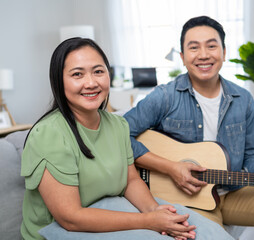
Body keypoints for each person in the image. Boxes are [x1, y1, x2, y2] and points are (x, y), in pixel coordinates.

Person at [20, 37, 234, 240]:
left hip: (113, 208)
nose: (91, 82)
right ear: (59, 80)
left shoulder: (117, 125)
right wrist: (148, 221)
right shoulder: (49, 134)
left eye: (98, 71)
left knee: (207, 232)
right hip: (61, 229)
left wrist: (155, 210)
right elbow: (70, 218)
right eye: (77, 74)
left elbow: (131, 180)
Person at [124, 16, 254, 240]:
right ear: (182, 57)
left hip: (231, 192)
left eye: (211, 46)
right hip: (188, 200)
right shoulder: (164, 96)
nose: (203, 55)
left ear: (224, 52)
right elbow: (120, 136)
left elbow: (253, 155)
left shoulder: (243, 99)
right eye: (194, 48)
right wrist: (171, 167)